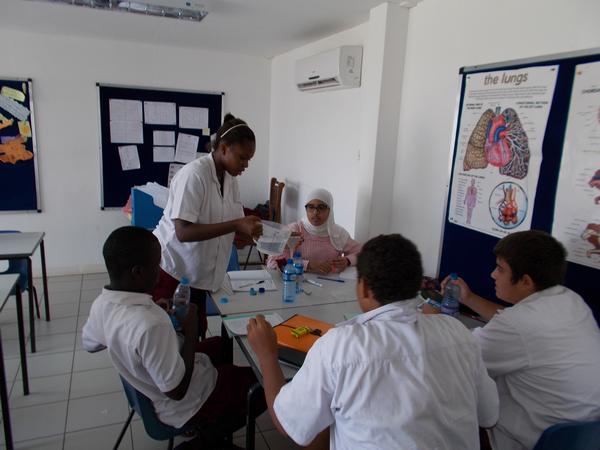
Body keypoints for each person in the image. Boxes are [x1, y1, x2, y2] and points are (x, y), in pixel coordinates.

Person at [249, 234, 499, 449]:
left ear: (365, 288)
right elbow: (488, 415)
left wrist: (267, 355)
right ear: (416, 285)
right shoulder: (457, 332)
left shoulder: (339, 345)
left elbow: (288, 424)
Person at [82, 227, 264, 448]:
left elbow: (90, 344)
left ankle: (216, 418)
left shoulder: (102, 305)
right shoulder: (149, 324)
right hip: (184, 404)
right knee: (261, 387)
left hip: (152, 378)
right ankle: (207, 438)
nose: (159, 272)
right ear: (137, 272)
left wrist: (151, 309)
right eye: (156, 265)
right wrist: (189, 330)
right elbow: (177, 391)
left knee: (220, 345)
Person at [442, 230, 600, 450]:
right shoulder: (571, 301)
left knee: (445, 403)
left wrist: (433, 321)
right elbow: (514, 323)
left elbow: (455, 356)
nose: (492, 275)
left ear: (526, 281)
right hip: (585, 437)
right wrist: (469, 298)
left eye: (500, 269)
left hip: (534, 440)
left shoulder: (517, 326)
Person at [152, 113, 262, 338]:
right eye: (242, 158)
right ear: (223, 148)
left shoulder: (230, 179)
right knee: (170, 337)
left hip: (199, 273)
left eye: (249, 159)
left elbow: (232, 229)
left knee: (195, 331)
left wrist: (258, 237)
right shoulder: (194, 175)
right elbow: (183, 232)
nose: (246, 165)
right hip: (173, 270)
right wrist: (236, 224)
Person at [266, 188, 361, 274]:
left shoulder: (338, 233)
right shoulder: (294, 230)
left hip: (330, 284)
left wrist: (347, 261)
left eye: (321, 207)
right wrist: (308, 264)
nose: (315, 212)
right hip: (296, 283)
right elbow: (272, 261)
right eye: (311, 207)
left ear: (330, 210)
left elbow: (362, 252)